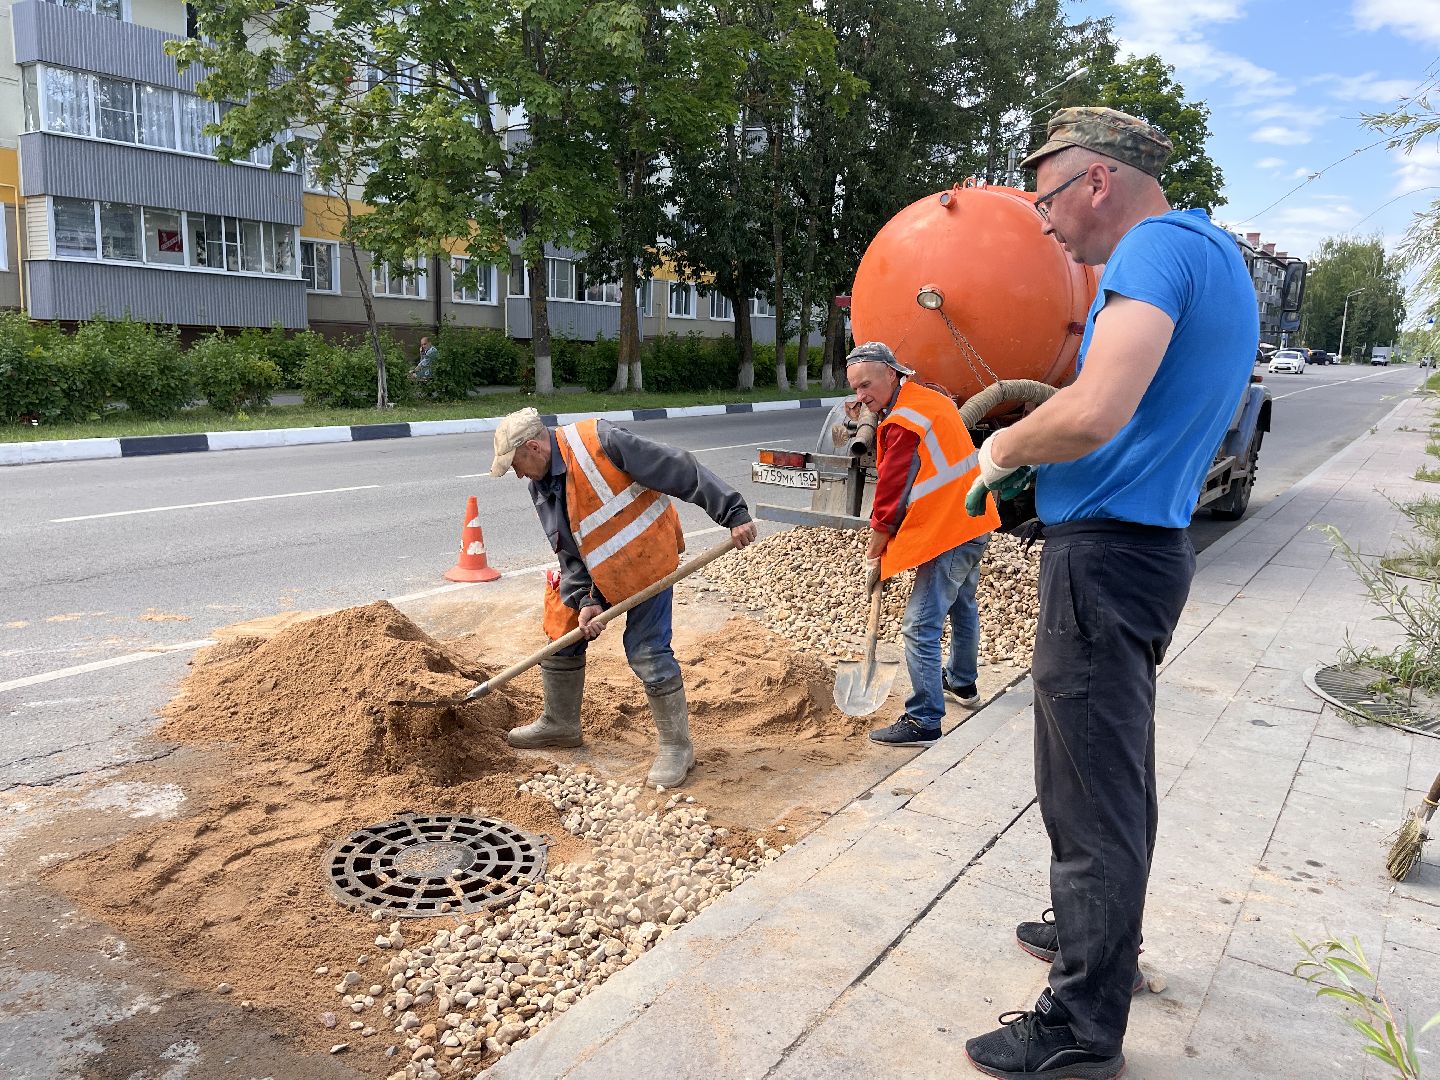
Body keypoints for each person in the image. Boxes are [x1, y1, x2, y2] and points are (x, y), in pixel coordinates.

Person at [960, 107, 1260, 1080]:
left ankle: (1081, 1026)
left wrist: (1003, 450)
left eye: (1046, 197)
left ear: (1097, 181)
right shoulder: (1213, 253)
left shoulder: (1152, 251)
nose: (1044, 221)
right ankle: (1095, 934)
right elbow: (1140, 416)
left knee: (1088, 796)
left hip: (1106, 561)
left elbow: (1097, 412)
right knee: (1108, 778)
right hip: (1143, 550)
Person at [489, 407, 757, 787]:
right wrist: (587, 600)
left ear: (534, 447)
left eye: (516, 464)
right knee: (561, 626)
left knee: (647, 649)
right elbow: (567, 549)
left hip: (646, 558)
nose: (517, 474)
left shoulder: (602, 442)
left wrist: (732, 512)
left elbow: (680, 468)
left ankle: (677, 746)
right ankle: (561, 724)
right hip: (600, 568)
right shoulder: (541, 483)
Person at [844, 342, 999, 748]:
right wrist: (869, 414)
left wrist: (874, 554)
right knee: (962, 604)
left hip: (948, 530)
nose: (861, 396)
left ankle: (924, 719)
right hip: (973, 518)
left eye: (866, 386)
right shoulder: (927, 400)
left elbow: (889, 499)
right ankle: (962, 681)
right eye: (855, 389)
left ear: (891, 373)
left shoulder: (903, 424)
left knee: (919, 624)